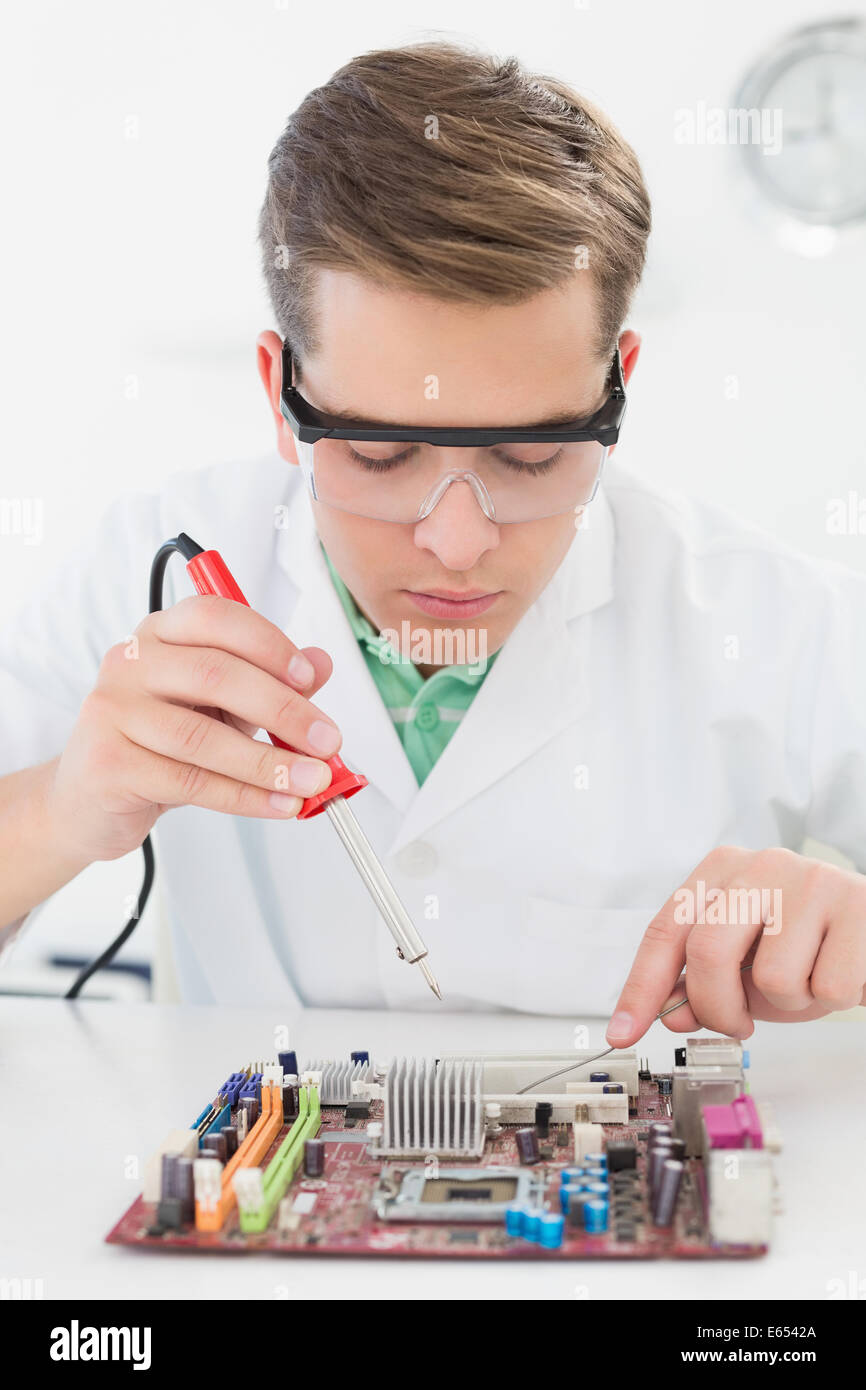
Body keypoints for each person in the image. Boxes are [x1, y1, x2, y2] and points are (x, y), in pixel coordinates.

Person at [1, 42, 864, 1041]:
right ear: (280, 397)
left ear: (614, 384)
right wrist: (59, 811)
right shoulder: (143, 569)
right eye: (375, 452)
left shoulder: (774, 623)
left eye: (530, 456)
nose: (456, 544)